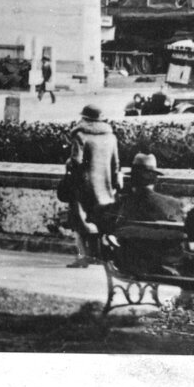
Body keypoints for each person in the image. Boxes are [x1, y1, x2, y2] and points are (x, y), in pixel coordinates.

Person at [65, 103, 120, 267]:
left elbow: (75, 161)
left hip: (83, 185)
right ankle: (98, 256)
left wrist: (68, 162)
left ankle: (84, 256)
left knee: (79, 220)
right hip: (105, 186)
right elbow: (115, 164)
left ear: (85, 118)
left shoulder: (80, 135)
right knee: (100, 220)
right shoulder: (111, 137)